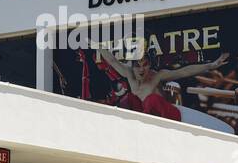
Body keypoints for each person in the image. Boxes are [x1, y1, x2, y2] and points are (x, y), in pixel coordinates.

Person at [97, 46, 230, 121]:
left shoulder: (157, 76)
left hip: (165, 117)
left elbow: (183, 72)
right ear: (132, 66)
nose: (142, 69)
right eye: (138, 66)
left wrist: (211, 65)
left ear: (150, 65)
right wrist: (98, 46)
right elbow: (113, 61)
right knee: (129, 99)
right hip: (142, 120)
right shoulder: (129, 74)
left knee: (151, 99)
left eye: (145, 65)